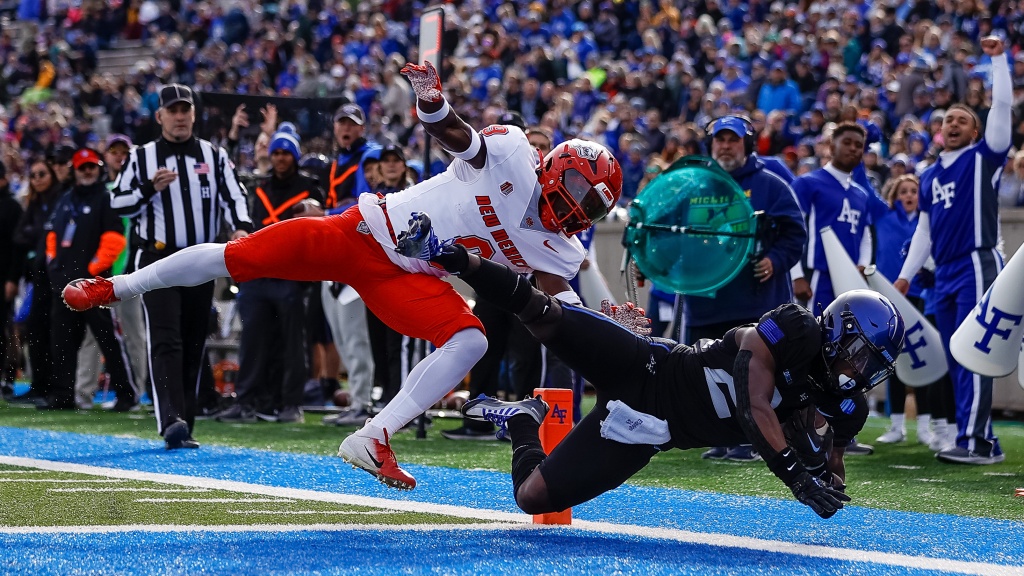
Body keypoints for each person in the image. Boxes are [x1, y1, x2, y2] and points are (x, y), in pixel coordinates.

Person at [62, 62, 623, 489]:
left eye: (592, 210)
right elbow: (453, 132)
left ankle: (374, 436)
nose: (579, 213)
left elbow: (560, 305)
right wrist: (431, 101)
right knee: (239, 256)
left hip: (409, 276)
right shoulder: (512, 155)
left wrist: (609, 323)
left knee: (470, 339)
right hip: (365, 232)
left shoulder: (560, 248)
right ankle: (113, 288)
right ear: (556, 169)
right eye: (579, 194)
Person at [413, 239, 904, 519]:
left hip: (647, 430)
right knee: (544, 315)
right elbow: (753, 404)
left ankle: (523, 422)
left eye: (871, 364)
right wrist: (795, 472)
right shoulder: (795, 330)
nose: (860, 371)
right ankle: (452, 255)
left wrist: (819, 460)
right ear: (841, 330)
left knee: (533, 498)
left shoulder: (845, 406)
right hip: (650, 366)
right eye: (860, 355)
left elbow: (832, 479)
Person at [105, 84, 253, 449]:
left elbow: (234, 193)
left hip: (200, 260)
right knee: (167, 337)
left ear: (194, 114)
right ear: (160, 116)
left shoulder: (213, 155)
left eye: (185, 109)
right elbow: (118, 202)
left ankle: (185, 419)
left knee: (192, 340)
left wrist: (240, 227)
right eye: (172, 110)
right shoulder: (141, 157)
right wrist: (147, 189)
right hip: (156, 259)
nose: (180, 115)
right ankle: (170, 419)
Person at [895, 36, 1012, 465]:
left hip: (977, 261)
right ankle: (982, 437)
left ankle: (975, 441)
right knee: (955, 359)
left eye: (963, 119)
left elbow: (1001, 110)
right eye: (948, 120)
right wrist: (906, 276)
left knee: (972, 353)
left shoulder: (984, 157)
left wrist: (997, 60)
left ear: (977, 131)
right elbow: (923, 231)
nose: (953, 123)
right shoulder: (926, 176)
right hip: (942, 271)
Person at [686, 115, 807, 462]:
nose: (725, 146)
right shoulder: (693, 185)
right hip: (705, 301)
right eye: (719, 140)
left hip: (755, 302)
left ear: (748, 144)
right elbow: (672, 236)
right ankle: (719, 437)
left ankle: (751, 439)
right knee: (706, 371)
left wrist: (775, 260)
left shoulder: (771, 184)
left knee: (752, 373)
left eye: (733, 140)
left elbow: (795, 233)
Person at [216, 126, 323, 425]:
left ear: (295, 156)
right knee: (252, 341)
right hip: (259, 274)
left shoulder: (310, 189)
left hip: (291, 275)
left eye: (285, 153)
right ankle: (248, 400)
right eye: (275, 153)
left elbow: (317, 226)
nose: (279, 158)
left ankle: (290, 403)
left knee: (292, 344)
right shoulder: (259, 188)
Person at [41, 148, 138, 411]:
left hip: (95, 285)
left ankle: (126, 395)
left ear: (98, 169)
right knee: (61, 340)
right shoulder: (65, 199)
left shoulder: (107, 199)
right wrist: (55, 266)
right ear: (74, 170)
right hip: (64, 283)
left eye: (91, 167)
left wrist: (93, 271)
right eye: (82, 167)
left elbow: (115, 239)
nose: (87, 171)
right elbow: (52, 235)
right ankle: (62, 395)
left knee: (109, 339)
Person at [8, 159, 61, 404]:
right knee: (36, 330)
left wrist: (35, 237)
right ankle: (39, 385)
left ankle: (54, 388)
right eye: (34, 175)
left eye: (42, 174)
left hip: (57, 275)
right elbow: (20, 235)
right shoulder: (35, 204)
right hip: (37, 277)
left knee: (55, 332)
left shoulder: (60, 200)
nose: (38, 179)